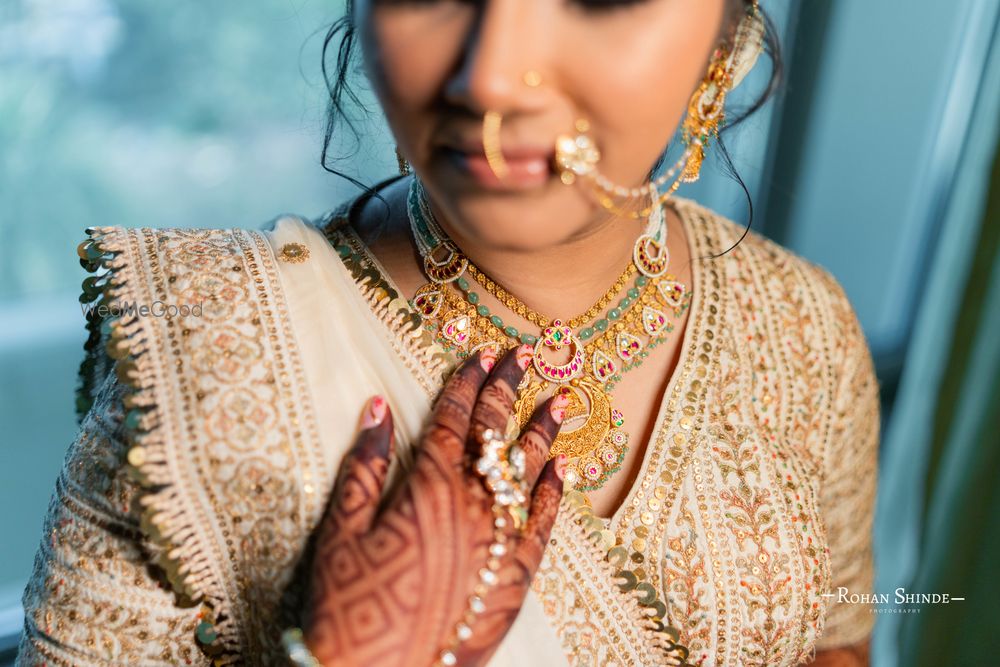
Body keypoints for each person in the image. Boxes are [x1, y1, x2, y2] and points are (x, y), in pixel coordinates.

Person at [17, 0, 880, 665]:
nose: (492, 79)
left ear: (726, 35)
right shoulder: (212, 354)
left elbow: (838, 640)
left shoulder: (803, 324)